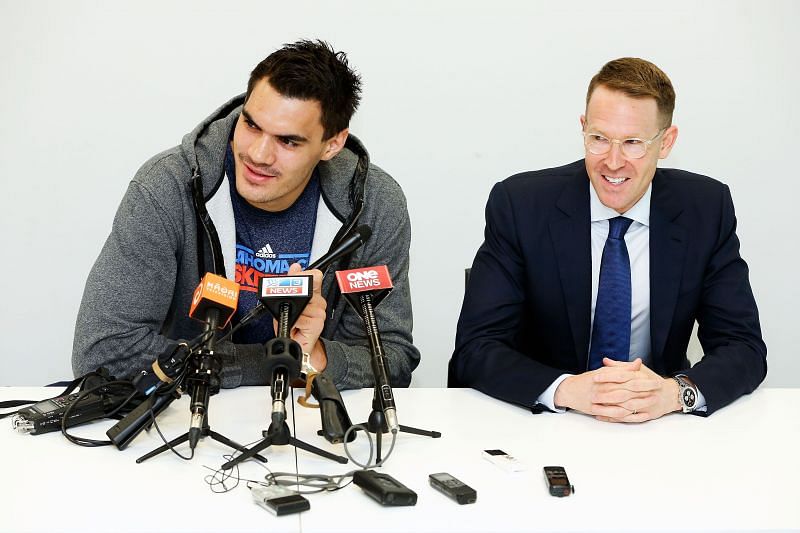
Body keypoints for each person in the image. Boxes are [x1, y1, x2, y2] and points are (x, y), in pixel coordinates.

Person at [72, 40, 419, 390]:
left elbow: (392, 357)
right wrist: (279, 361)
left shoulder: (374, 204)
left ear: (332, 144)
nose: (258, 154)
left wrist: (319, 357)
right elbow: (104, 350)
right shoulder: (168, 186)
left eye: (288, 142)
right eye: (251, 125)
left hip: (309, 418)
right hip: (184, 416)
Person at [450, 57, 766, 421]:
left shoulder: (706, 209)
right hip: (544, 420)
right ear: (583, 128)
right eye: (599, 138)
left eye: (633, 142)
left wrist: (673, 393)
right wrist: (567, 389)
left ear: (666, 142)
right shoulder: (521, 205)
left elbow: (743, 347)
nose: (612, 162)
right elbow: (476, 348)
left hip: (657, 420)